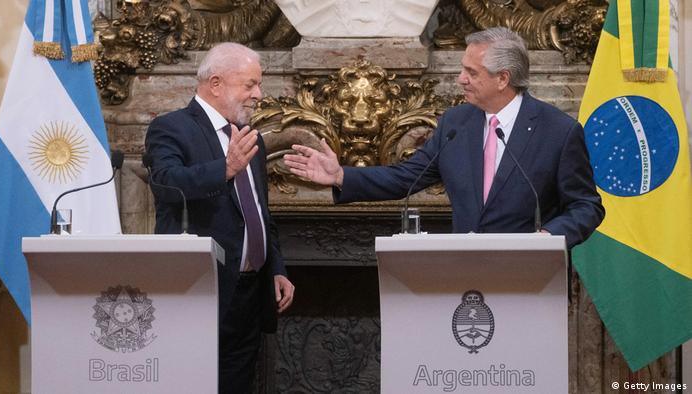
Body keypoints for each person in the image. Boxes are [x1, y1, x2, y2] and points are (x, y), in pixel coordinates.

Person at [284, 27, 604, 249]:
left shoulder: (558, 131)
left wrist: (549, 236)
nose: (461, 79)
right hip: (462, 275)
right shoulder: (456, 123)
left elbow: (586, 206)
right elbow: (405, 176)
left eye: (472, 73)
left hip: (532, 279)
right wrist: (341, 175)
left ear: (503, 79)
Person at [145, 42, 294, 393]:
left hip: (249, 293)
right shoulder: (171, 128)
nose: (259, 94)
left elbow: (260, 213)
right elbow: (165, 183)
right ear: (215, 83)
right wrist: (223, 169)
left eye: (259, 84)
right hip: (199, 288)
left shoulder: (247, 139)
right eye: (250, 85)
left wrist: (276, 268)